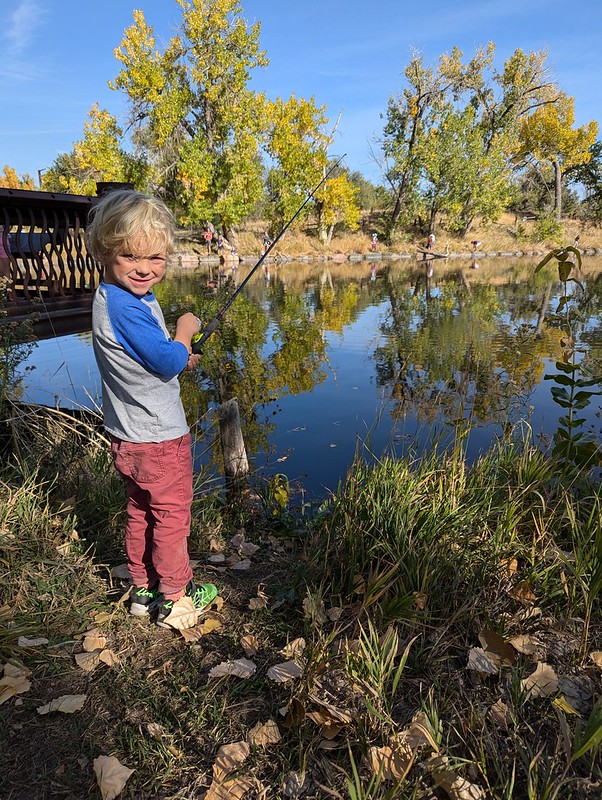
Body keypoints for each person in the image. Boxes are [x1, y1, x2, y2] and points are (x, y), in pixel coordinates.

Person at [86, 189, 218, 628]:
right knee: (171, 517)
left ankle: (143, 590)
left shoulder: (114, 295)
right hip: (159, 439)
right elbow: (165, 359)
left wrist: (180, 353)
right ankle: (177, 597)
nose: (144, 268)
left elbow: (152, 358)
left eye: (156, 259)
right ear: (105, 251)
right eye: (129, 256)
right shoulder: (128, 306)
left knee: (141, 511)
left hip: (129, 438)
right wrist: (185, 330)